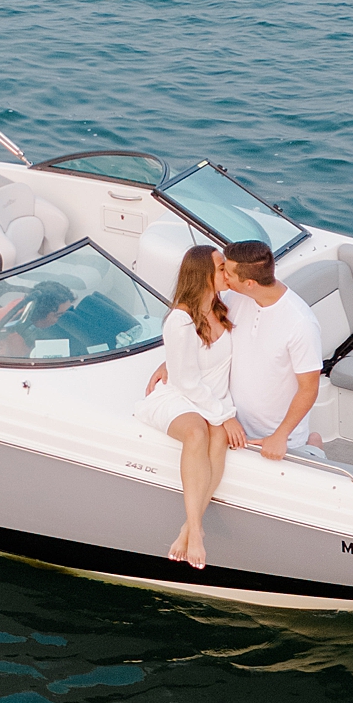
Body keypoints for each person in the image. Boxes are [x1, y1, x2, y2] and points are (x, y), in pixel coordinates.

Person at [135, 247, 246, 570]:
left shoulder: (223, 306)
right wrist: (226, 416)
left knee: (218, 439)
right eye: (221, 267)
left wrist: (168, 360)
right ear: (202, 274)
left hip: (208, 395)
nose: (227, 272)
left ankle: (187, 526)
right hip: (181, 396)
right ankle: (196, 532)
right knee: (198, 432)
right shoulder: (180, 320)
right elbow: (185, 383)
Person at [216, 238, 323, 461]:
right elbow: (208, 332)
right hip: (233, 424)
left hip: (277, 437)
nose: (223, 275)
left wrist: (280, 435)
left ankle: (314, 445)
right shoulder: (235, 297)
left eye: (228, 272)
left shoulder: (301, 324)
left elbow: (309, 388)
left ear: (250, 283)